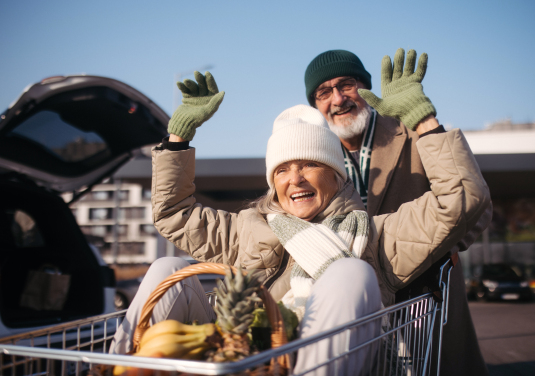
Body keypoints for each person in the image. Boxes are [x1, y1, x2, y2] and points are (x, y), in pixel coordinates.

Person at [110, 71, 490, 375]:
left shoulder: (376, 235)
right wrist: (178, 138)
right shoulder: (248, 229)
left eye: (309, 164)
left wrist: (424, 122)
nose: (295, 179)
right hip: (248, 357)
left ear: (336, 175)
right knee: (168, 269)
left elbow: (460, 201)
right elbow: (174, 214)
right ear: (272, 181)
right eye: (283, 170)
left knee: (350, 274)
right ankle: (120, 371)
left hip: (342, 361)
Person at [304, 48, 492, 376]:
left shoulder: (412, 127)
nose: (337, 99)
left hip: (423, 297)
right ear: (316, 106)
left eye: (346, 85)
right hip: (352, 304)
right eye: (324, 92)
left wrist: (439, 248)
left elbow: (477, 205)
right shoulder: (311, 156)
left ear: (365, 87)